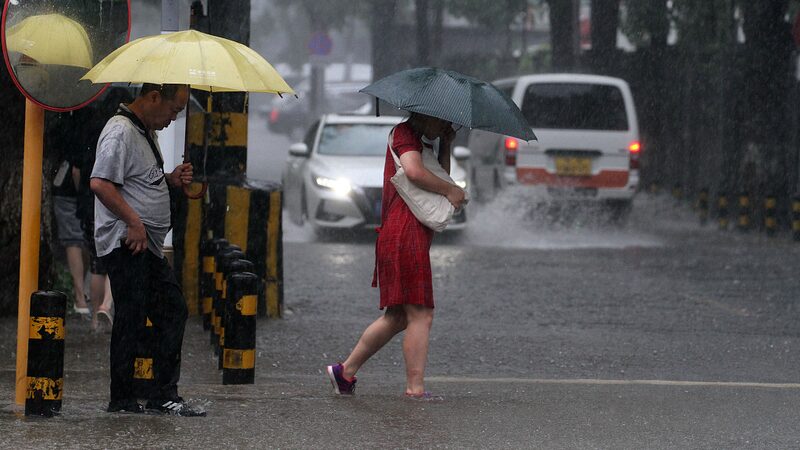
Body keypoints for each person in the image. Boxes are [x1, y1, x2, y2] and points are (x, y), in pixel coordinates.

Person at [326, 112, 466, 399]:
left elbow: (438, 175)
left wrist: (446, 144)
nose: (445, 126)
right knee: (421, 314)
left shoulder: (421, 141)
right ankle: (415, 389)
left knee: (399, 317)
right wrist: (452, 190)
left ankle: (345, 372)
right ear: (424, 115)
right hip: (405, 233)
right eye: (441, 121)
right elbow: (414, 172)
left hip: (403, 233)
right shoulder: (405, 134)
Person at [90, 83, 202, 416]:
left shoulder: (144, 132)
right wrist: (134, 222)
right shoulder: (120, 132)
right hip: (126, 241)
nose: (174, 117)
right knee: (134, 315)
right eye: (173, 109)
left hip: (145, 245)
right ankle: (124, 399)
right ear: (154, 97)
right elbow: (100, 183)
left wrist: (169, 179)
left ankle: (160, 395)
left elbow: (140, 178)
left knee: (170, 310)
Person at [51, 113, 90, 318]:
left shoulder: (67, 118)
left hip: (65, 186)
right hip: (83, 190)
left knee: (74, 240)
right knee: (81, 241)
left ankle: (80, 294)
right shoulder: (93, 124)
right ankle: (80, 294)